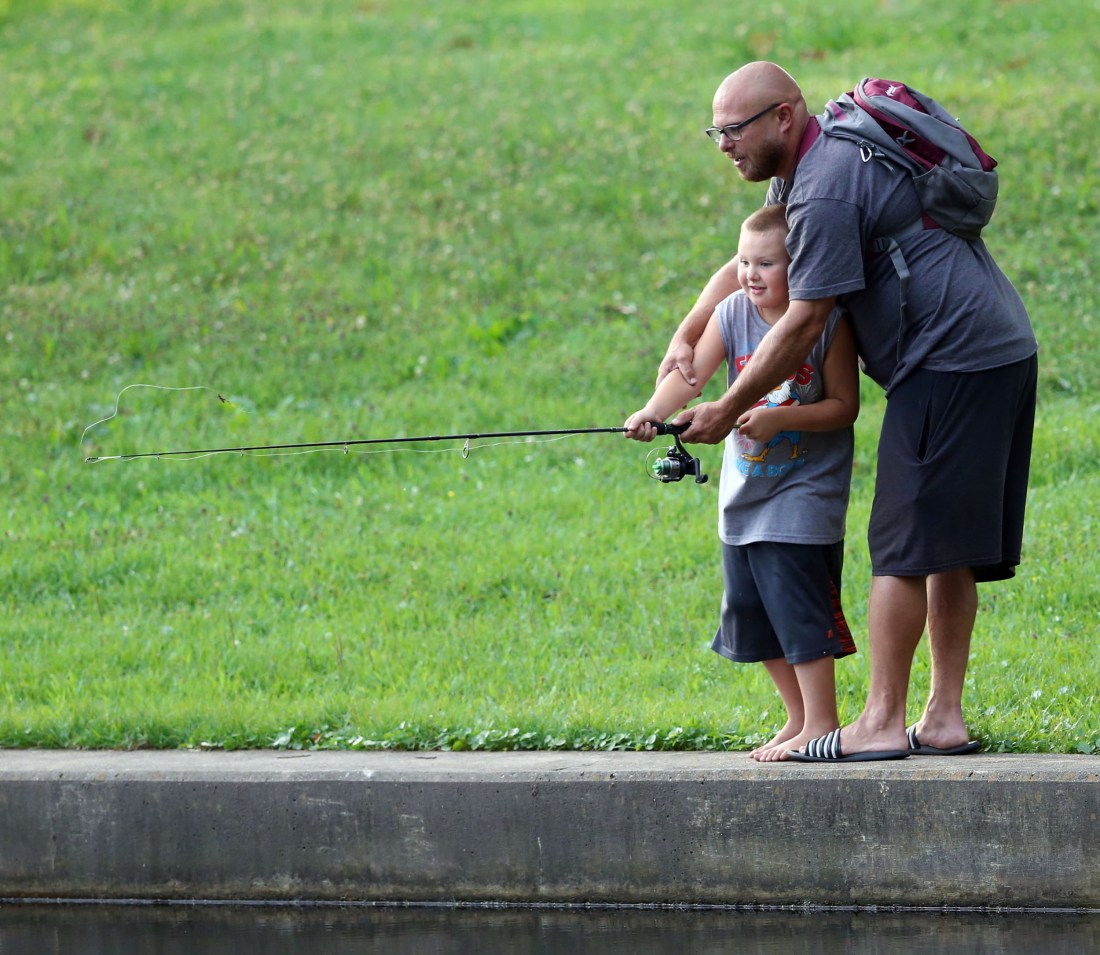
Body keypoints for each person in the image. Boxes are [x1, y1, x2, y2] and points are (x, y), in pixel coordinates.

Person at [657, 62, 1037, 762]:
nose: (724, 144)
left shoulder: (826, 184)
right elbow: (752, 257)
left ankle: (882, 720)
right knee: (943, 547)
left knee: (901, 546)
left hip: (950, 360)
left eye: (734, 129)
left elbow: (805, 320)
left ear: (784, 116)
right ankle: (942, 718)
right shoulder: (810, 161)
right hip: (991, 349)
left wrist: (728, 407)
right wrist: (691, 327)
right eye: (716, 131)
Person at [625, 203, 860, 762]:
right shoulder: (732, 312)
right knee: (754, 613)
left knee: (798, 610)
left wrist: (780, 419)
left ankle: (822, 723)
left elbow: (844, 407)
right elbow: (692, 378)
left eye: (766, 264)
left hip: (804, 496)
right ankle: (798, 718)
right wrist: (652, 411)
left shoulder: (827, 322)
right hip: (745, 496)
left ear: (801, 266)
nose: (751, 275)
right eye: (743, 261)